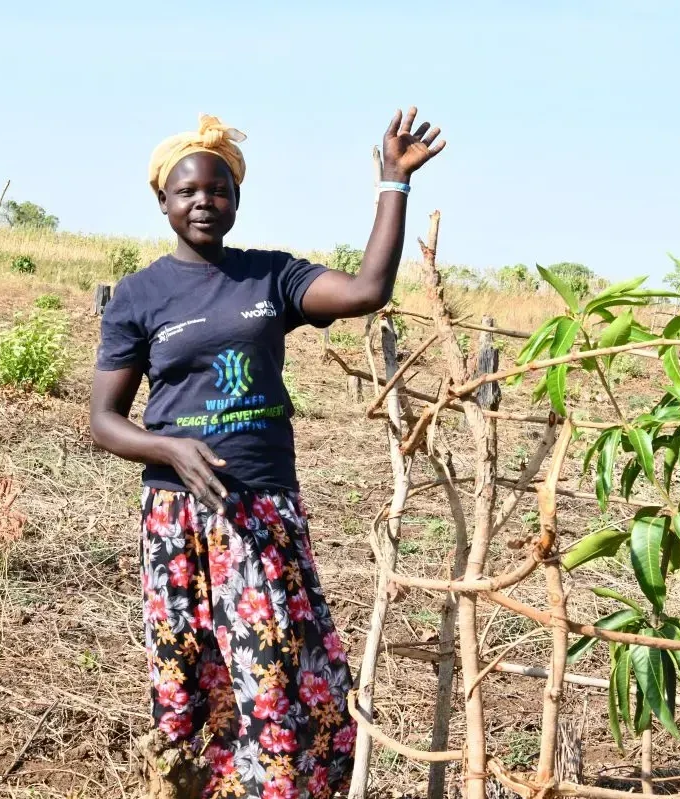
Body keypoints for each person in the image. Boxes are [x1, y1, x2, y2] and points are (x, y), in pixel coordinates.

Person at [90, 108, 445, 798]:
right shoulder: (138, 296)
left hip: (258, 509)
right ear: (163, 201)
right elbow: (104, 421)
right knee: (191, 674)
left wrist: (392, 185)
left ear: (236, 199)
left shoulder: (270, 277)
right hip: (175, 520)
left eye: (217, 190)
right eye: (188, 191)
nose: (203, 202)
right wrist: (169, 447)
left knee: (278, 672)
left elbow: (369, 290)